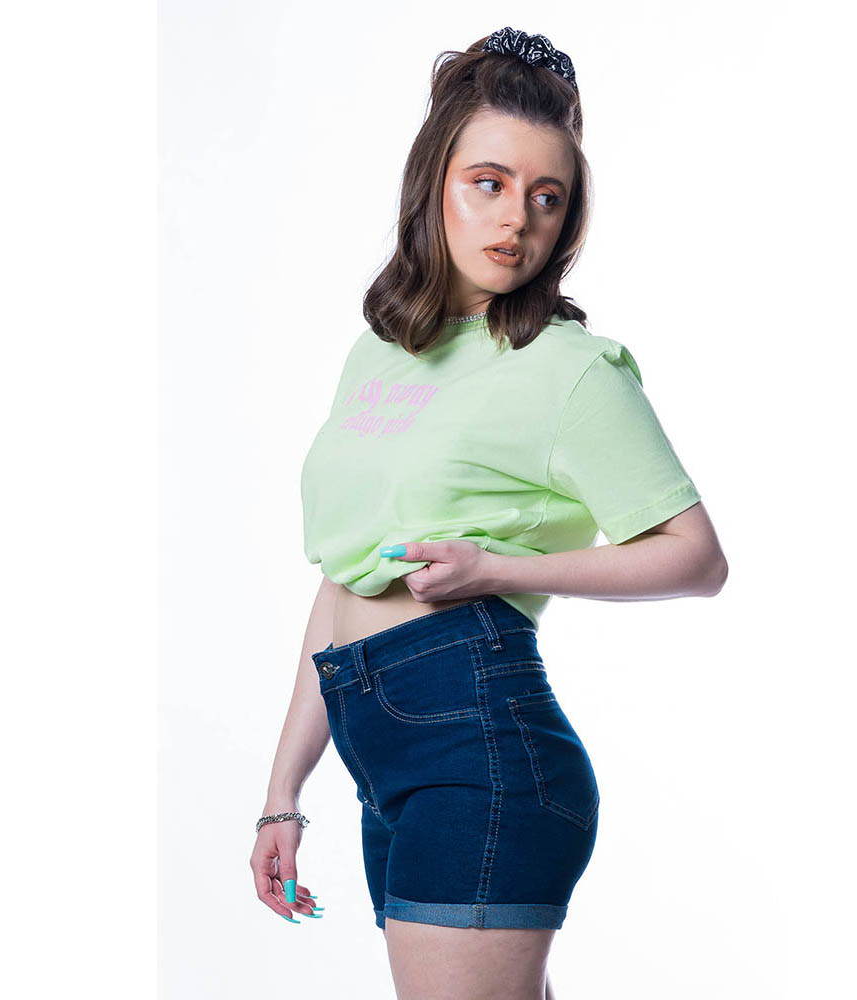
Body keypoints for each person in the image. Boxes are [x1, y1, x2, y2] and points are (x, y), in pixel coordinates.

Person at [249, 26, 728, 1000]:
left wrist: (499, 567)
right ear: (434, 183)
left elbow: (695, 556)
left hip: (479, 742)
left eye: (547, 197)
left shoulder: (569, 368)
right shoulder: (378, 355)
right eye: (489, 183)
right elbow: (343, 579)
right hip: (380, 753)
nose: (518, 218)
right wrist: (281, 794)